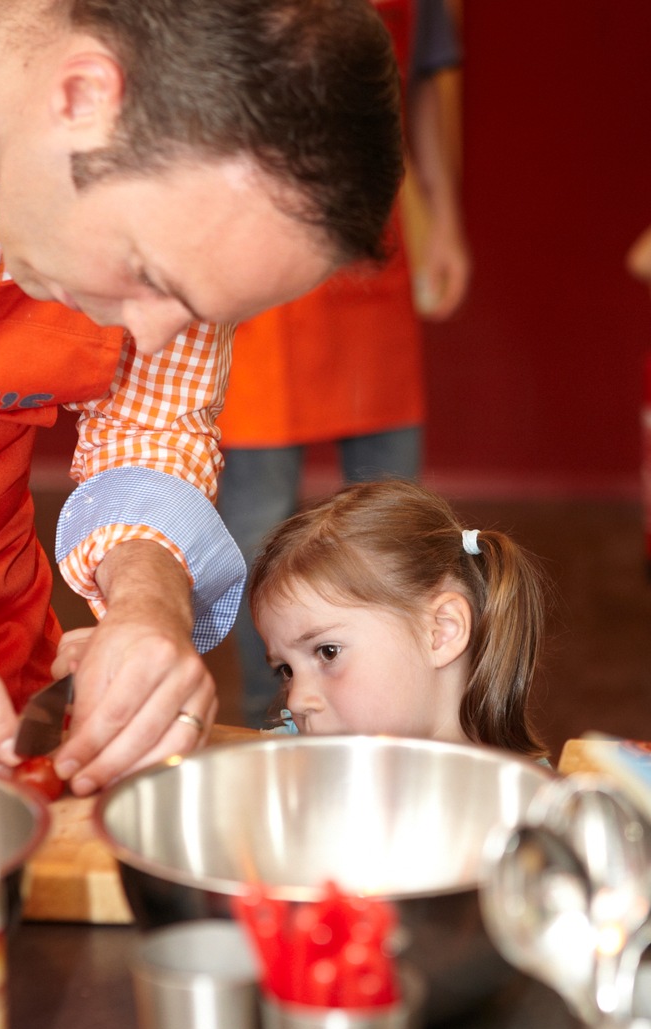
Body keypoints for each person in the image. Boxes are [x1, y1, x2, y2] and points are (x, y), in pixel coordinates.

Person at [0, 0, 404, 794]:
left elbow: (150, 430)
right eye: (148, 274)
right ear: (80, 97)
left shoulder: (190, 212)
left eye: (198, 312)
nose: (150, 338)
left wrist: (150, 603)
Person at [217, 0, 470, 727]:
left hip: (371, 248)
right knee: (256, 528)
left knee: (393, 515)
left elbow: (420, 77)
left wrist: (444, 212)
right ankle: (280, 717)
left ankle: (406, 717)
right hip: (263, 244)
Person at [247, 479, 548, 759]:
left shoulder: (523, 802)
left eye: (328, 652)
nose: (296, 701)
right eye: (286, 670)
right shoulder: (287, 758)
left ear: (441, 631)